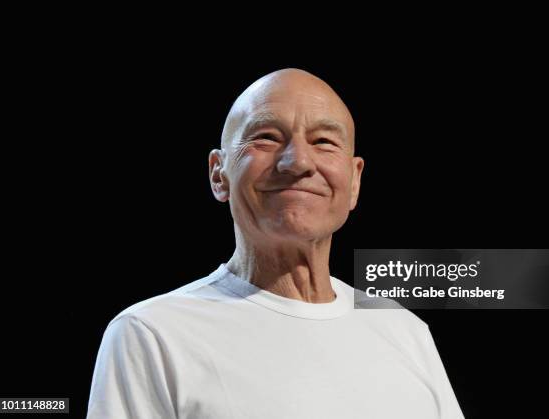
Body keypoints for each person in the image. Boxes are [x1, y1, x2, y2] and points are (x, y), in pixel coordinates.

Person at [86, 68, 465, 418]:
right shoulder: (152, 334)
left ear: (354, 181)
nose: (298, 161)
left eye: (323, 141)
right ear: (219, 174)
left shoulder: (405, 330)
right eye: (266, 137)